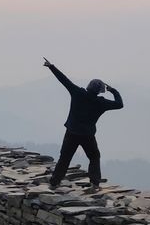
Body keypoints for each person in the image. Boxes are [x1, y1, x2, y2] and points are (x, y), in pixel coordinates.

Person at [42, 57, 123, 190]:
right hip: (87, 135)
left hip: (72, 131)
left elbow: (64, 80)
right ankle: (95, 183)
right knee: (94, 156)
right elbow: (119, 104)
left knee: (65, 157)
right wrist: (113, 90)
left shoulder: (77, 93)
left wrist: (51, 66)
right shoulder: (101, 103)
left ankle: (54, 182)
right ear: (99, 91)